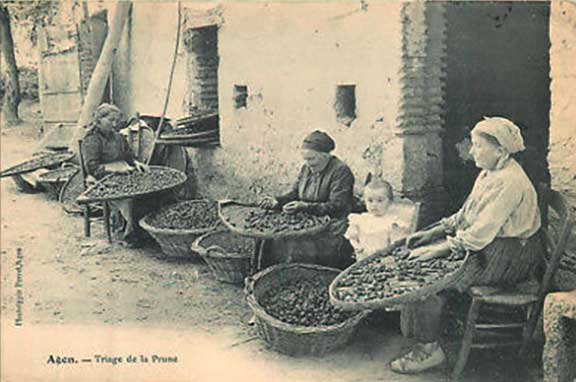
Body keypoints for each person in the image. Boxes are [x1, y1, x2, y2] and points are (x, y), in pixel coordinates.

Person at [389, 117, 542, 374]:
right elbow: (465, 215)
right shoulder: (489, 173)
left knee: (428, 278)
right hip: (491, 247)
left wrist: (437, 249)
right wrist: (434, 232)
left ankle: (429, 351)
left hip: (510, 255)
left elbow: (478, 235)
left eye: (478, 146)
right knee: (421, 263)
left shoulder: (510, 181)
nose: (471, 151)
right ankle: (426, 339)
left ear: (501, 151)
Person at [259, 130, 355, 269]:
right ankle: (274, 272)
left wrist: (305, 207)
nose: (308, 163)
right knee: (271, 235)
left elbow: (337, 205)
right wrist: (278, 201)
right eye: (306, 159)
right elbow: (295, 193)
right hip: (307, 217)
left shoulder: (341, 171)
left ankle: (301, 274)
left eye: (311, 159)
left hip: (332, 222)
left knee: (296, 240)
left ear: (325, 156)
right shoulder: (307, 168)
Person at [81, 103, 149, 246]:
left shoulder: (118, 137)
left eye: (116, 121)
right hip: (103, 179)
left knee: (147, 190)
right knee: (129, 198)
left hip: (124, 175)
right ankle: (130, 235)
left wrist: (136, 164)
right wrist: (115, 169)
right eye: (110, 120)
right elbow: (92, 167)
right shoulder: (92, 139)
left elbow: (129, 156)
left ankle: (142, 229)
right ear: (99, 121)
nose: (114, 124)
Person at [345, 178, 411, 262]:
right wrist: (358, 248)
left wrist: (390, 256)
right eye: (370, 201)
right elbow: (352, 237)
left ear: (390, 202)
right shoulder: (360, 220)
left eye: (380, 201)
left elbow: (396, 244)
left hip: (384, 260)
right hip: (363, 257)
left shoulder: (392, 222)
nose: (374, 205)